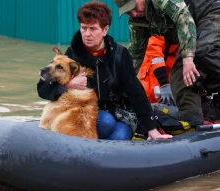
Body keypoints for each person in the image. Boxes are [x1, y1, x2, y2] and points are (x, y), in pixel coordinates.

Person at [37, 1, 172, 140]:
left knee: (120, 136)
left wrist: (151, 129)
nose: (87, 34)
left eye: (93, 29)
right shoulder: (72, 55)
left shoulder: (120, 54)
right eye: (83, 28)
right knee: (106, 122)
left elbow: (136, 91)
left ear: (105, 30)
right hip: (92, 114)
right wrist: (67, 86)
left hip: (121, 114)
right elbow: (42, 89)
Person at [114, 0, 220, 125]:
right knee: (180, 77)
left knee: (203, 52)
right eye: (128, 12)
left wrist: (187, 58)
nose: (134, 14)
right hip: (193, 31)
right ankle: (193, 126)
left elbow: (183, 16)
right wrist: (122, 88)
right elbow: (134, 57)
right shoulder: (138, 21)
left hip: (210, 13)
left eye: (133, 7)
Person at [138, 35, 178, 105]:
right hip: (153, 80)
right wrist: (164, 84)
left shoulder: (183, 41)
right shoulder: (157, 36)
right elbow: (155, 57)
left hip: (167, 83)